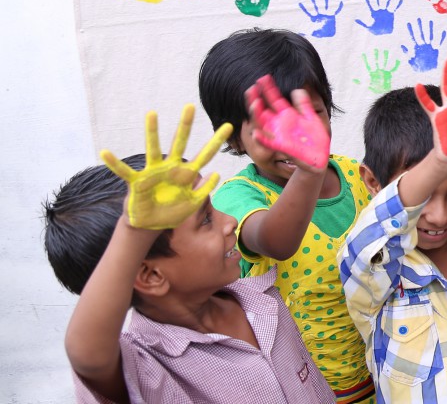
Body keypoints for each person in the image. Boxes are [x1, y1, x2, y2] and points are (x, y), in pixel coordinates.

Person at [45, 105, 335, 403]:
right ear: (151, 275)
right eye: (206, 220)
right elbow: (87, 354)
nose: (230, 222)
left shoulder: (261, 297)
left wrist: (309, 169)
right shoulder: (145, 366)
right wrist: (134, 232)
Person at [199, 28, 374, 403]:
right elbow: (276, 242)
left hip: (385, 376)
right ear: (232, 138)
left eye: (310, 115)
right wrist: (310, 170)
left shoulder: (356, 174)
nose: (295, 137)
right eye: (271, 127)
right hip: (302, 391)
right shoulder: (238, 197)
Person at [340, 59, 447, 403]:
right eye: (422, 195)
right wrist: (439, 162)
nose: (437, 216)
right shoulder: (377, 272)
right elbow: (370, 235)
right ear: (373, 183)